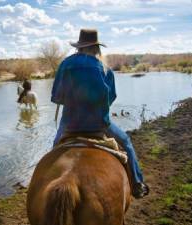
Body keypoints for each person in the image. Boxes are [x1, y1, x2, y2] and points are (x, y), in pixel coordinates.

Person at [51, 29, 149, 199]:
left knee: (54, 150)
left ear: (79, 47)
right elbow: (110, 99)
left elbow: (57, 97)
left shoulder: (65, 64)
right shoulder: (104, 68)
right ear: (97, 48)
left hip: (69, 124)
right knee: (126, 143)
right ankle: (137, 184)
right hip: (99, 124)